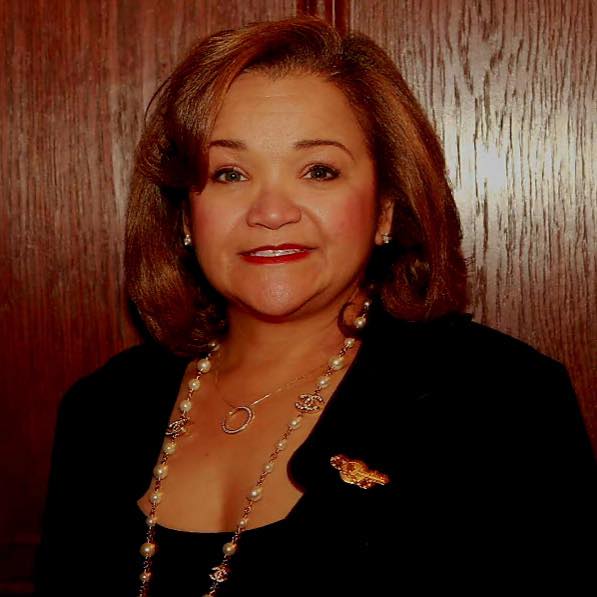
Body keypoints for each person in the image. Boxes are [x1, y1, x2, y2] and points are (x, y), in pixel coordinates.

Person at [34, 16, 596, 597]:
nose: (271, 211)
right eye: (230, 173)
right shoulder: (102, 409)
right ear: (185, 216)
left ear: (384, 208)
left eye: (319, 171)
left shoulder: (502, 400)